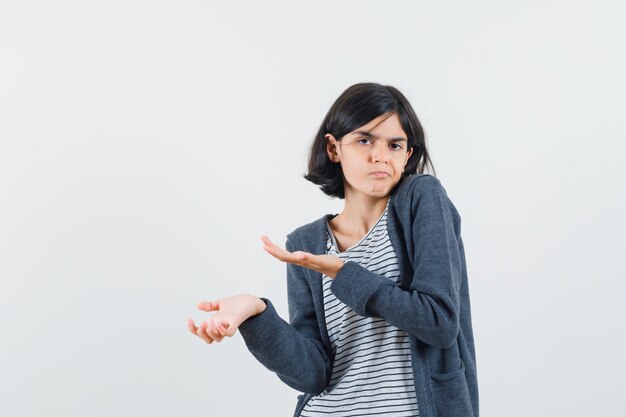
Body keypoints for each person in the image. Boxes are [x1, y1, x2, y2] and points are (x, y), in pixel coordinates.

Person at [187, 82, 479, 417]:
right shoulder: (305, 244)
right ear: (334, 148)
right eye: (364, 139)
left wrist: (343, 273)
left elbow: (439, 322)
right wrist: (257, 316)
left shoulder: (421, 200)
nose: (380, 156)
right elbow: (312, 374)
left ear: (408, 154)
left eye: (395, 144)